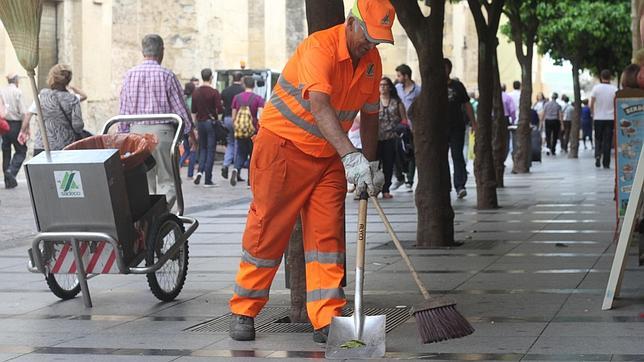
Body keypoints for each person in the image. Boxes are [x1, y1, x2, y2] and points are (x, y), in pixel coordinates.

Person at [228, 0, 392, 344]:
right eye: (369, 36)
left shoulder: (372, 63)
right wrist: (351, 156)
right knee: (267, 230)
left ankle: (327, 317)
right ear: (351, 23)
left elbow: (372, 115)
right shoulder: (320, 47)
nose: (371, 45)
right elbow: (319, 106)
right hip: (283, 148)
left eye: (379, 40)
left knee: (327, 239)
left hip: (329, 156)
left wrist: (371, 163)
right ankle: (244, 309)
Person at [119, 34, 195, 207]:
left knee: (144, 182)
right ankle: (160, 216)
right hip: (162, 133)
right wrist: (189, 132)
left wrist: (123, 136)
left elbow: (123, 108)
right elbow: (180, 108)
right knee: (168, 180)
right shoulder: (167, 75)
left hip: (136, 133)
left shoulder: (129, 75)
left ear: (142, 51)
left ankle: (149, 219)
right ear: (161, 51)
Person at [26, 65, 85, 156]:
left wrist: (24, 129)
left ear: (52, 77)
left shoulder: (42, 95)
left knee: (41, 170)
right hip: (65, 147)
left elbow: (29, 113)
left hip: (42, 145)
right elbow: (78, 126)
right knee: (63, 171)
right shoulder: (72, 99)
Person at [445, 58, 476, 199]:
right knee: (441, 158)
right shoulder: (433, 85)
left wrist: (473, 123)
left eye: (446, 68)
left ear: (450, 69)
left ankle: (460, 185)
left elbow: (467, 104)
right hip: (439, 129)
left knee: (457, 156)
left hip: (457, 126)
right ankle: (445, 186)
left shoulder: (457, 86)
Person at [230, 76, 264, 187]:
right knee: (252, 154)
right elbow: (261, 115)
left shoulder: (237, 97)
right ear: (253, 85)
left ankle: (236, 168)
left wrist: (236, 126)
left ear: (244, 85)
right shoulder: (258, 98)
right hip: (252, 129)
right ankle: (250, 180)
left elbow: (234, 115)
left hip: (240, 129)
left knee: (240, 152)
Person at [191, 68, 223, 187]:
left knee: (202, 149)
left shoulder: (196, 92)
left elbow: (193, 111)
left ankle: (199, 171)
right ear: (211, 77)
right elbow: (219, 109)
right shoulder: (214, 92)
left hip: (200, 123)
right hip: (210, 123)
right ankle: (207, 179)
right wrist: (218, 120)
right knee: (211, 150)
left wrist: (195, 126)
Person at [378, 76, 406, 199]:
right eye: (380, 85)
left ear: (390, 87)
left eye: (385, 85)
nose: (383, 87)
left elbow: (404, 119)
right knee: (374, 164)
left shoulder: (396, 102)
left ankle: (386, 189)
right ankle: (374, 188)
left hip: (391, 137)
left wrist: (400, 129)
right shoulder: (374, 101)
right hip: (376, 137)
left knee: (388, 164)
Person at [394, 63, 420, 192]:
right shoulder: (397, 88)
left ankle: (410, 179)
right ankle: (400, 176)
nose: (397, 78)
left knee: (411, 151)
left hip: (413, 125)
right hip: (400, 126)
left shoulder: (417, 90)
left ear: (406, 76)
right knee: (398, 151)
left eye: (399, 75)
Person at [0, 73, 29, 189]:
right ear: (16, 81)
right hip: (16, 124)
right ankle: (11, 171)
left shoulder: (2, 91)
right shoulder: (17, 92)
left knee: (6, 151)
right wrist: (25, 128)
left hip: (4, 125)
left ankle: (8, 179)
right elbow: (23, 112)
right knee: (21, 150)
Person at [590, 69, 617, 168]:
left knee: (598, 139)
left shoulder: (596, 88)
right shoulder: (614, 89)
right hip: (610, 118)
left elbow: (591, 103)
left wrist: (593, 114)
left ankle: (597, 155)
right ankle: (606, 163)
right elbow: (616, 104)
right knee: (608, 141)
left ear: (601, 77)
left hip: (598, 118)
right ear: (610, 77)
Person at [221, 72, 245, 179]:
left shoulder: (225, 90)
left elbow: (222, 104)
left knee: (230, 142)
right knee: (238, 144)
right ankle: (236, 168)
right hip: (238, 119)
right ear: (241, 79)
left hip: (227, 118)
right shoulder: (242, 91)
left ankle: (226, 165)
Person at [180, 82, 198, 178]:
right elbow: (193, 115)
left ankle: (179, 165)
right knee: (193, 149)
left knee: (186, 150)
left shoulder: (182, 99)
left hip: (183, 127)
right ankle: (190, 173)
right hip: (191, 127)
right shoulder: (193, 100)